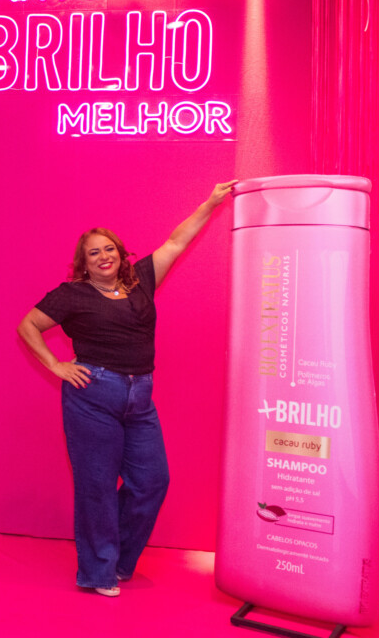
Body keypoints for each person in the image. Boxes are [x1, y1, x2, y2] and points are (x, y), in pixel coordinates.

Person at [17, 180, 236, 597]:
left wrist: (210, 203)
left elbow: (176, 241)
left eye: (109, 249)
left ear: (121, 254)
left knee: (152, 481)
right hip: (93, 397)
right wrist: (56, 365)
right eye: (94, 252)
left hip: (140, 400)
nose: (104, 256)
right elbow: (28, 325)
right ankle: (98, 572)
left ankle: (116, 558)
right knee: (97, 486)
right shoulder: (73, 294)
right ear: (83, 263)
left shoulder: (141, 283)